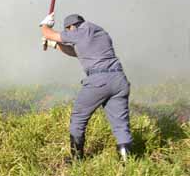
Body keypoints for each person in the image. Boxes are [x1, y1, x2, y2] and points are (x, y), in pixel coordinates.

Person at [40, 13, 132, 162]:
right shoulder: (99, 32)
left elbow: (48, 33)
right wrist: (55, 45)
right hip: (119, 80)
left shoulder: (79, 31)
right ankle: (127, 160)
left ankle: (77, 160)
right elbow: (76, 51)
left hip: (99, 81)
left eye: (68, 31)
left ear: (71, 27)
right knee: (120, 123)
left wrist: (45, 25)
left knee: (78, 118)